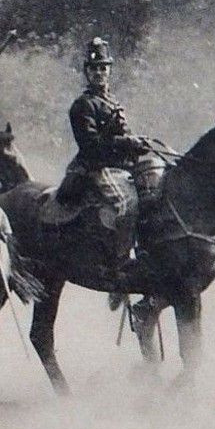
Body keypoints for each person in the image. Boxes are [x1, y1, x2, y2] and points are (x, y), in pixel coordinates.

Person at [55, 37, 161, 286]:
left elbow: (123, 138)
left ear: (109, 70)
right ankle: (121, 262)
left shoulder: (113, 102)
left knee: (153, 192)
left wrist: (138, 145)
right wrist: (127, 142)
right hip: (96, 168)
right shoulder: (82, 105)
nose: (99, 73)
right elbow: (91, 146)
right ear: (86, 72)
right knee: (127, 203)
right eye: (94, 68)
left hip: (121, 167)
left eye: (103, 68)